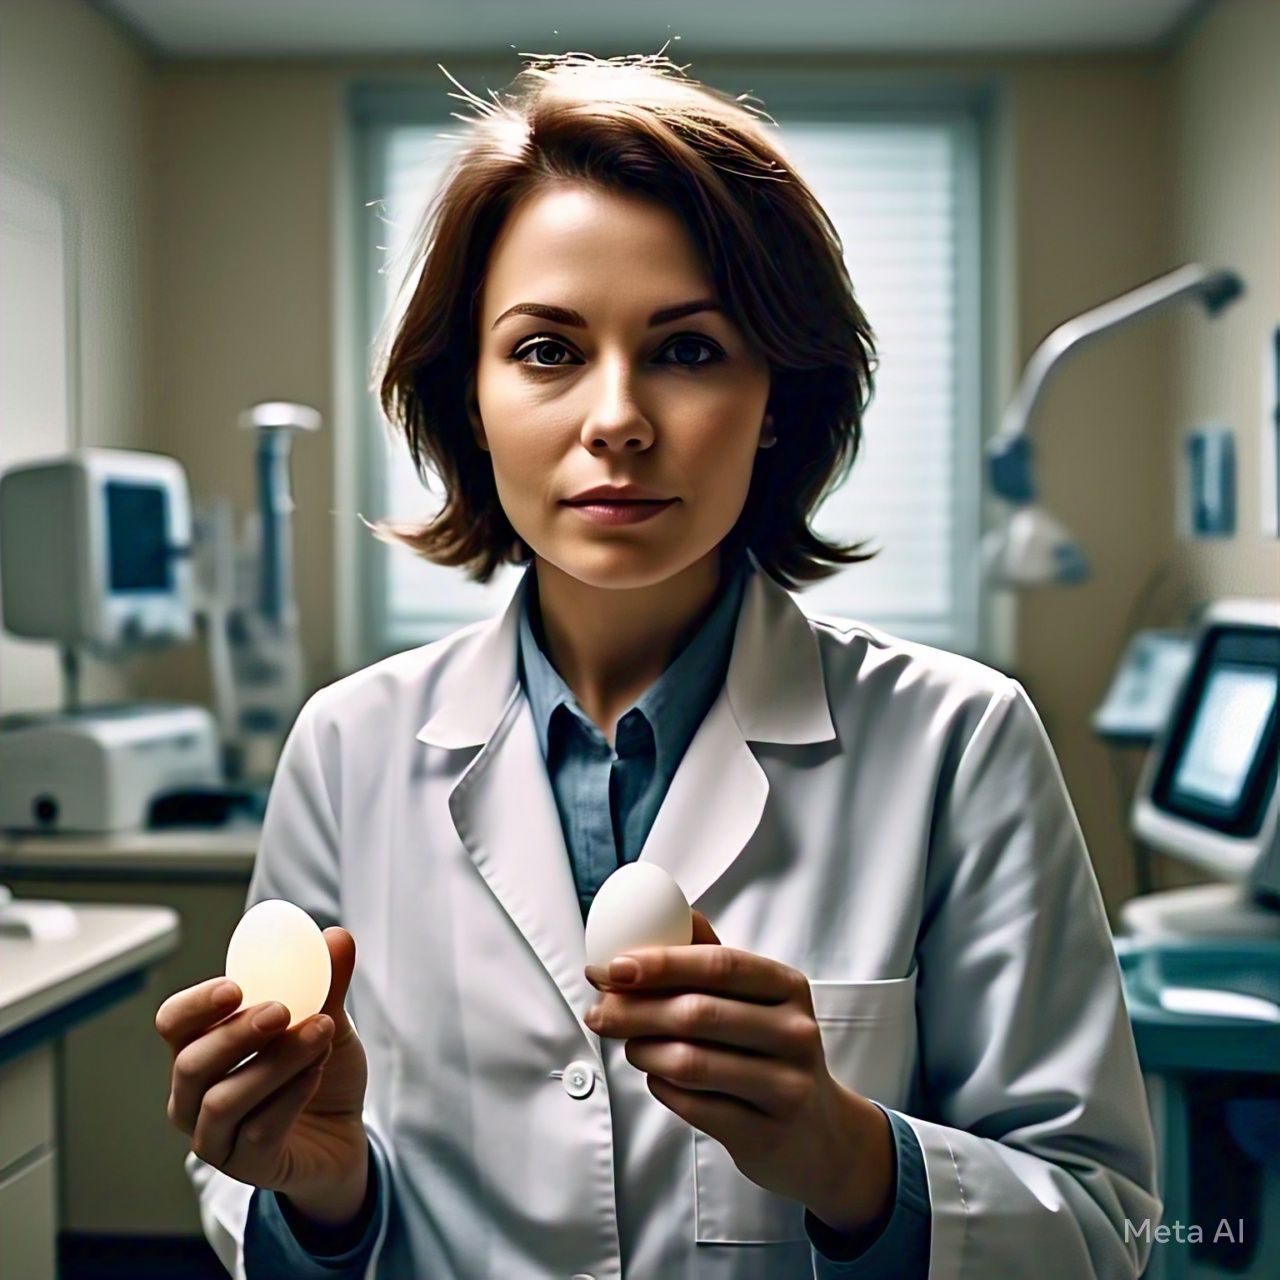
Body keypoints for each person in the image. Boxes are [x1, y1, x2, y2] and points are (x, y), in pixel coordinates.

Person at [155, 51, 1161, 1279]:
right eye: (544, 350)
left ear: (777, 398)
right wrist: (324, 1196)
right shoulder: (347, 744)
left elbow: (1107, 1229)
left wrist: (847, 1154)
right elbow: (276, 1187)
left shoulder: (960, 740)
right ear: (465, 398)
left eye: (686, 351)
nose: (617, 417)